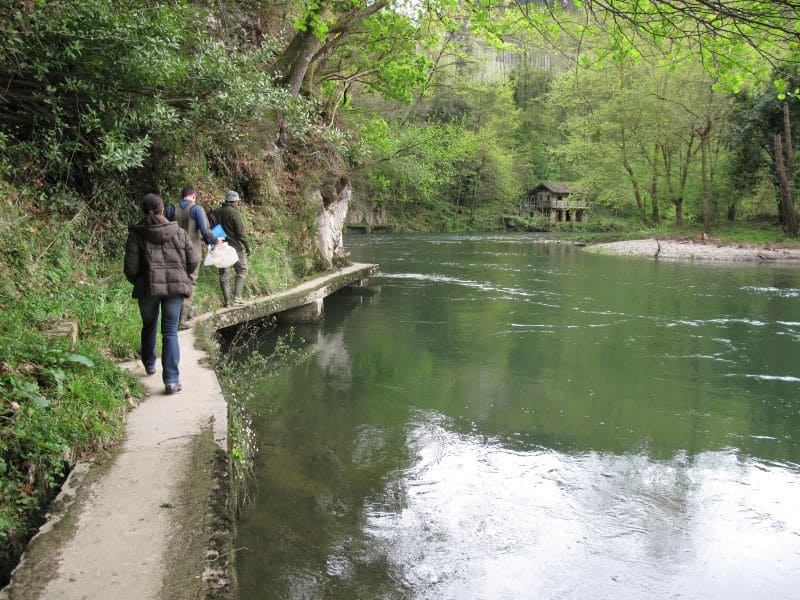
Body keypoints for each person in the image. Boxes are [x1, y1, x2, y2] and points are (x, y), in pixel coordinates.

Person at [124, 193, 199, 394]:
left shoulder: (137, 233)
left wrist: (140, 280)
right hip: (175, 289)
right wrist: (183, 274)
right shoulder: (179, 232)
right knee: (170, 331)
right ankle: (172, 381)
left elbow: (130, 268)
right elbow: (193, 261)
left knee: (149, 325)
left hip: (147, 289)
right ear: (163, 210)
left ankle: (149, 364)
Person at [166, 186, 220, 329]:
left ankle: (172, 318)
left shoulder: (171, 209)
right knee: (189, 283)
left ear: (182, 195)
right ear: (194, 196)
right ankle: (181, 321)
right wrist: (215, 241)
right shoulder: (197, 209)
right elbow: (205, 230)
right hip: (192, 253)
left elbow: (164, 229)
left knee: (175, 284)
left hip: (174, 252)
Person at [214, 190, 251, 306]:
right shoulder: (234, 212)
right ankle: (237, 298)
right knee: (242, 269)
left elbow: (212, 229)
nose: (238, 203)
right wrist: (247, 245)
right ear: (234, 201)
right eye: (237, 201)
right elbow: (240, 232)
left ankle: (227, 302)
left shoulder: (215, 212)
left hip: (220, 246)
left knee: (224, 273)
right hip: (235, 247)